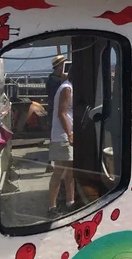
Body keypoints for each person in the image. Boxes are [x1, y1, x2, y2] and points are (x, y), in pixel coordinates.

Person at [48, 65, 75, 216]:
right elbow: (62, 113)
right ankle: (51, 206)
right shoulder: (66, 88)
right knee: (59, 171)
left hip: (67, 135)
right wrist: (69, 134)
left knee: (70, 171)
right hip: (62, 136)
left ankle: (70, 202)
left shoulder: (69, 87)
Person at [45, 55, 66, 172]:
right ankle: (53, 162)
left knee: (54, 137)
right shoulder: (54, 80)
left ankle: (52, 161)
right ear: (60, 66)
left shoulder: (52, 78)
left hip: (54, 110)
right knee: (55, 137)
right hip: (55, 111)